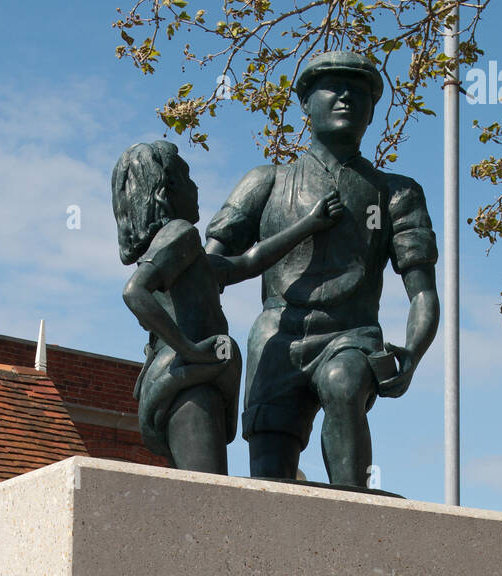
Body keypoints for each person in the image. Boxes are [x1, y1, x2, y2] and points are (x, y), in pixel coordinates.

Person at [205, 51, 440, 487]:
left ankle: (354, 513)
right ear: (305, 103)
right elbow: (208, 268)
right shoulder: (266, 182)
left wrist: (412, 351)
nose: (346, 97)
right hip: (276, 336)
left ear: (372, 111)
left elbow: (423, 292)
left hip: (350, 335)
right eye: (332, 87)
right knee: (270, 476)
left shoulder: (396, 193)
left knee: (343, 383)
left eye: (360, 91)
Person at [113, 140, 343, 473]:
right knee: (210, 501)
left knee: (195, 499)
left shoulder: (190, 257)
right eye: (188, 177)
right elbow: (135, 292)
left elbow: (250, 261)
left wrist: (309, 223)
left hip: (187, 381)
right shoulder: (181, 234)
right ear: (168, 189)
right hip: (191, 385)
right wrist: (189, 350)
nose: (197, 186)